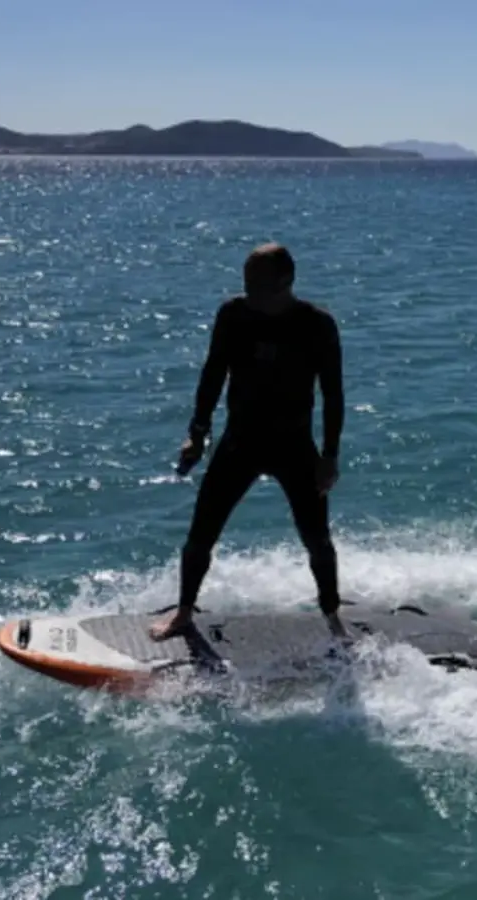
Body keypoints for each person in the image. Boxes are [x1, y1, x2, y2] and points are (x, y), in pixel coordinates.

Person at [149, 242, 347, 641]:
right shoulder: (233, 315)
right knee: (201, 533)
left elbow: (333, 393)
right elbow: (212, 374)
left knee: (317, 540)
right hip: (240, 442)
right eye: (247, 280)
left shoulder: (317, 324)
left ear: (286, 280)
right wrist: (197, 434)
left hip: (294, 446)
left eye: (259, 282)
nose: (250, 288)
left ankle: (333, 618)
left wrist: (329, 456)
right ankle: (184, 612)